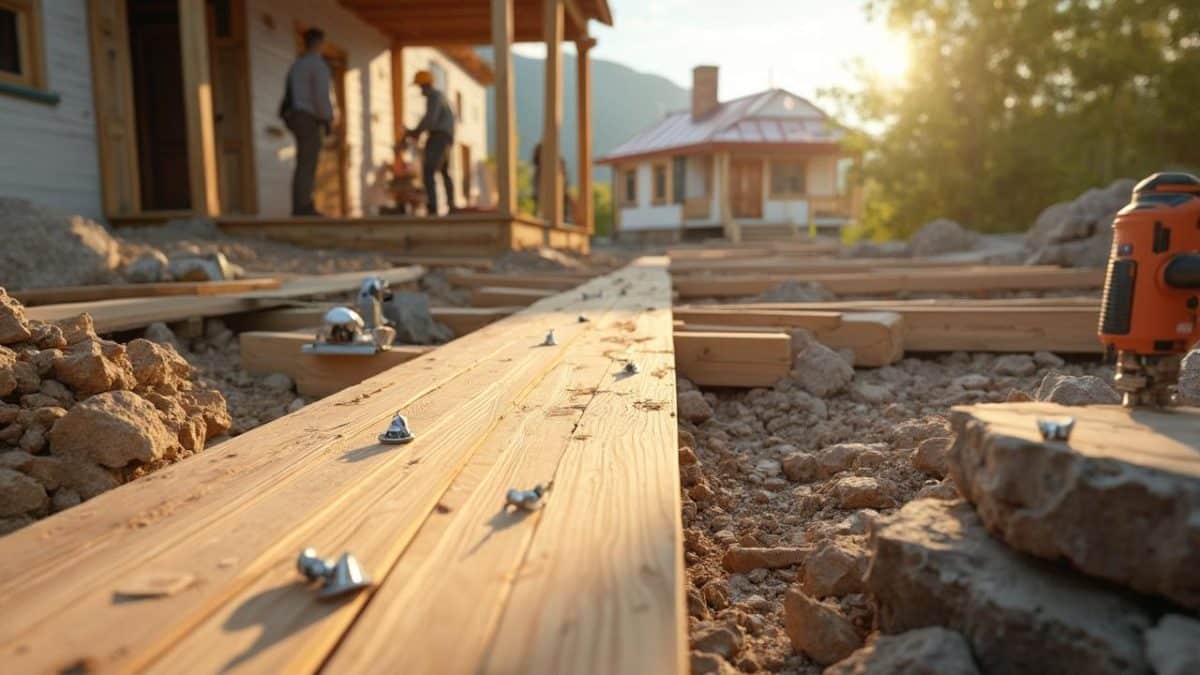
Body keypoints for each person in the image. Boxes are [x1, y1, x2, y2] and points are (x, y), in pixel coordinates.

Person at [280, 27, 335, 216]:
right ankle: (303, 206)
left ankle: (301, 204)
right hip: (308, 117)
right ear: (319, 43)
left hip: (296, 115)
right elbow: (320, 96)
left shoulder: (298, 64)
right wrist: (328, 118)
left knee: (303, 160)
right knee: (308, 161)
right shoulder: (317, 65)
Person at [406, 70, 456, 215]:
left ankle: (432, 207)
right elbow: (429, 119)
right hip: (446, 137)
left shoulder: (434, 97)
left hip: (439, 137)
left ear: (424, 85)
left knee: (429, 171)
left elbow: (430, 119)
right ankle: (451, 206)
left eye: (419, 86)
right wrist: (416, 131)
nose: (420, 90)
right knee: (445, 172)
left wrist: (415, 132)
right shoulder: (440, 96)